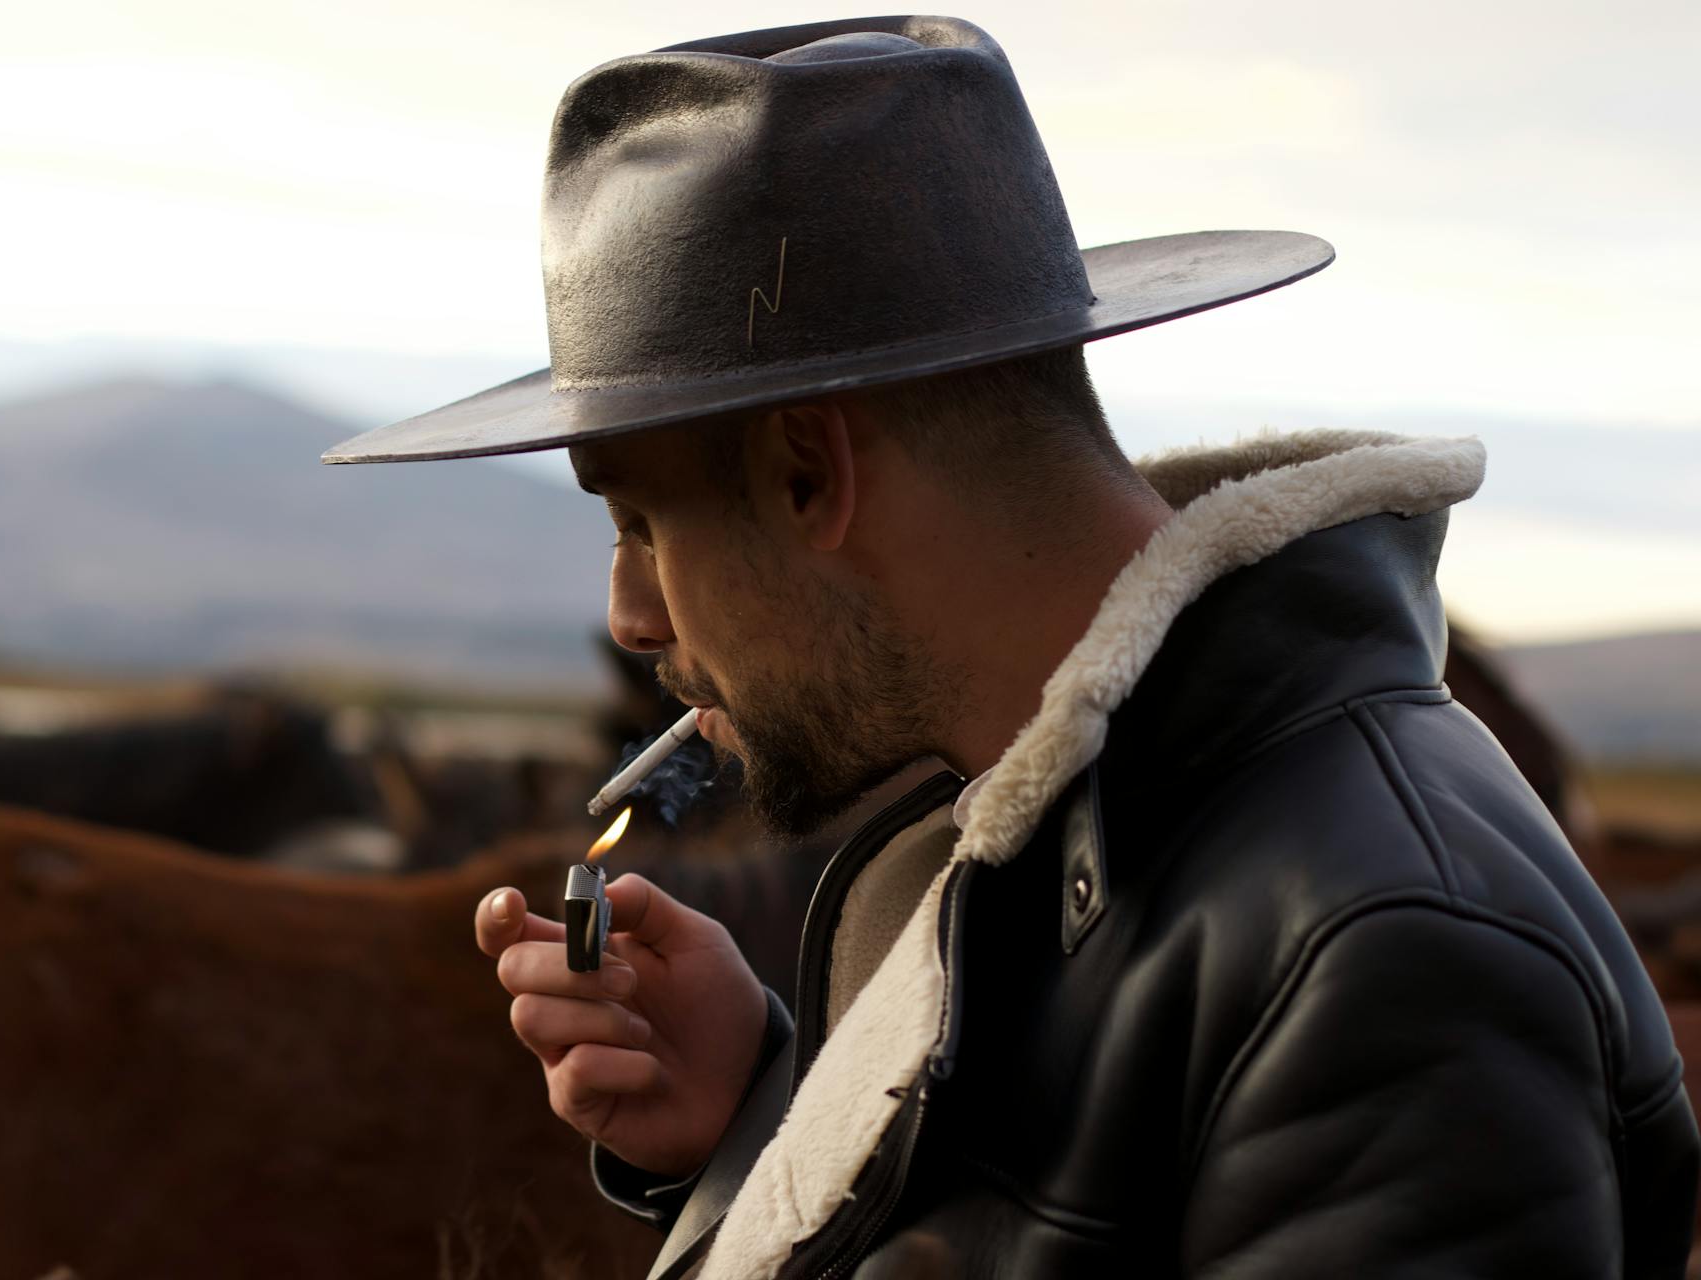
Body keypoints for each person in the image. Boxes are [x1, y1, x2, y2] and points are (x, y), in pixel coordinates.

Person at [322, 16, 1699, 1278]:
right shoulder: (1058, 842)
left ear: (810, 472)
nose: (632, 615)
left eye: (641, 522)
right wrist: (762, 1123)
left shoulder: (1391, 956)